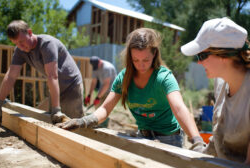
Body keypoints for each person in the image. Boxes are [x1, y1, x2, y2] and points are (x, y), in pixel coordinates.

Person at [58, 28, 202, 147]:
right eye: (135, 60)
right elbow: (105, 109)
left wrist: (197, 141)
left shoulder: (164, 77)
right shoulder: (124, 78)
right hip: (142, 136)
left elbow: (179, 109)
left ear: (154, 54)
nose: (141, 65)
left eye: (146, 60)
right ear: (130, 58)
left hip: (170, 138)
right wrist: (84, 121)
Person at [181, 17, 250, 168]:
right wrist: (200, 151)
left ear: (224, 55)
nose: (199, 62)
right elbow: (221, 139)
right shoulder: (221, 82)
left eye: (202, 55)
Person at [0, 20, 84, 124]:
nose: (20, 47)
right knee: (56, 124)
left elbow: (52, 76)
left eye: (22, 41)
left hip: (71, 85)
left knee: (74, 125)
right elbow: (11, 76)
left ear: (30, 32)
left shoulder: (47, 44)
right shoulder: (20, 51)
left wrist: (56, 110)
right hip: (55, 87)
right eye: (16, 43)